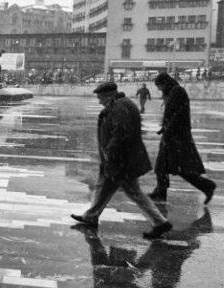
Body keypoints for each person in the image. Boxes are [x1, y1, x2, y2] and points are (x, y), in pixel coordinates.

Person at [70, 82, 172, 239]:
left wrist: (110, 152)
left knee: (133, 192)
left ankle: (160, 222)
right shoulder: (120, 105)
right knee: (103, 186)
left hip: (121, 160)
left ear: (108, 96)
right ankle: (91, 216)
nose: (99, 101)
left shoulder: (120, 108)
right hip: (116, 159)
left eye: (100, 98)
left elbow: (121, 134)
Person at [149, 73, 216, 203]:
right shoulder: (174, 91)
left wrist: (168, 129)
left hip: (177, 136)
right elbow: (173, 114)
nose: (160, 89)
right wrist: (165, 128)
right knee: (164, 166)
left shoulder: (177, 91)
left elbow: (178, 114)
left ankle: (207, 186)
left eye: (160, 86)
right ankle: (161, 191)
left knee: (180, 168)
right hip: (174, 134)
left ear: (165, 83)